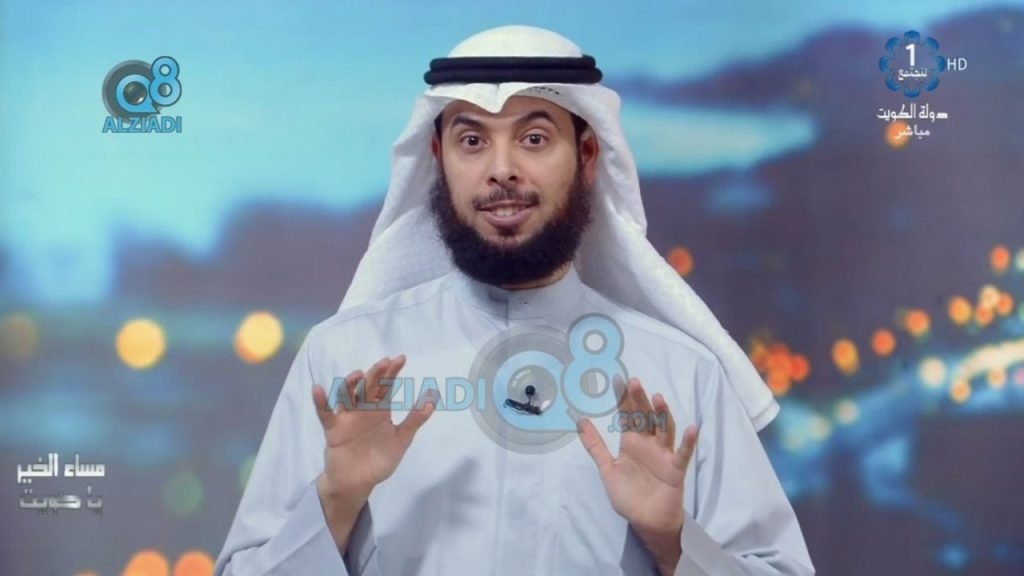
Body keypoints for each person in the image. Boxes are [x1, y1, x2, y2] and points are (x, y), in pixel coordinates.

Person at [215, 25, 814, 576]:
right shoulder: (344, 362)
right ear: (439, 160)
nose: (502, 170)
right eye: (472, 140)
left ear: (586, 156)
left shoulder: (682, 377)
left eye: (533, 138)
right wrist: (334, 503)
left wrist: (672, 540)